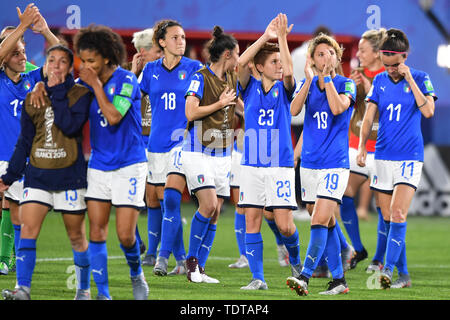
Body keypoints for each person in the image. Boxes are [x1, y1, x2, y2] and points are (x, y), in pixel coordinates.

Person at [0, 44, 92, 300]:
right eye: (51, 60)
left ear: (69, 68)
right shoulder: (33, 98)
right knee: (27, 229)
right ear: (45, 65)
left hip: (69, 178)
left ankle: (83, 290)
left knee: (76, 236)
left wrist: (55, 93)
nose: (55, 65)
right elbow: (24, 142)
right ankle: (23, 289)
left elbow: (69, 125)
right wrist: (8, 178)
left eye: (62, 62)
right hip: (37, 176)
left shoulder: (80, 95)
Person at [73, 24, 149, 300]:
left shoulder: (127, 80)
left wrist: (94, 85)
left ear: (106, 57)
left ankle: (136, 274)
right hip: (99, 165)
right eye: (83, 61)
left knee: (126, 236)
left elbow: (114, 116)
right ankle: (102, 294)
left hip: (129, 164)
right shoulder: (83, 85)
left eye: (91, 60)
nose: (86, 66)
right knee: (96, 231)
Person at [357, 28, 436, 289]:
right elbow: (369, 117)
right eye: (387, 64)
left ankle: (387, 270)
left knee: (399, 213)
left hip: (410, 157)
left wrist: (409, 79)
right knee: (389, 217)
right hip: (383, 156)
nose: (391, 69)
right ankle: (404, 275)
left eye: (395, 65)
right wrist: (361, 147)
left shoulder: (421, 78)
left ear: (404, 57)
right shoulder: (379, 81)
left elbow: (428, 111)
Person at [286, 33, 356, 296]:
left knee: (318, 219)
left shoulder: (346, 84)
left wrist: (326, 79)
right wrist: (308, 79)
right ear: (312, 60)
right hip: (310, 163)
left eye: (330, 53)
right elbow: (294, 111)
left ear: (338, 57)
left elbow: (338, 109)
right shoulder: (309, 83)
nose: (326, 57)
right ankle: (339, 280)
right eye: (320, 54)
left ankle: (304, 276)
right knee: (325, 222)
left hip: (334, 164)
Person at [236, 14, 302, 290]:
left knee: (286, 226)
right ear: (259, 67)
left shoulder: (284, 90)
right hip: (252, 164)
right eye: (273, 61)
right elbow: (239, 63)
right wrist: (266, 37)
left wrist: (282, 38)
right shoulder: (248, 87)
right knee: (252, 220)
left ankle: (298, 264)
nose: (279, 65)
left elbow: (289, 74)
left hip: (279, 165)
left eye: (279, 61)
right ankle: (258, 278)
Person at [139, 19, 203, 276]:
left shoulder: (195, 68)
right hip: (155, 144)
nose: (181, 42)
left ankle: (160, 258)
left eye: (183, 37)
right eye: (175, 37)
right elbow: (137, 98)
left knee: (171, 198)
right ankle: (180, 258)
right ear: (162, 42)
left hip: (182, 143)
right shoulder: (150, 70)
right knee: (160, 202)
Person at [0, 4, 59, 276]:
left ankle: (17, 271)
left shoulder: (33, 79)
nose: (23, 56)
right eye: (16, 53)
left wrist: (44, 30)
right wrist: (22, 26)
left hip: (23, 161)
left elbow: (62, 61)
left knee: (20, 218)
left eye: (24, 51)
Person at [183, 25, 239, 283]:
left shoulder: (231, 78)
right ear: (227, 54)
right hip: (198, 151)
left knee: (215, 212)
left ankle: (200, 269)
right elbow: (191, 113)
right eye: (237, 55)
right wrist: (220, 103)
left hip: (223, 154)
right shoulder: (200, 77)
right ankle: (191, 261)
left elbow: (238, 107)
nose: (239, 60)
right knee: (208, 205)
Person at [342, 28, 387, 270]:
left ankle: (379, 259)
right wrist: (351, 86)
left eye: (362, 50)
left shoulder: (389, 74)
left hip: (383, 147)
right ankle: (358, 248)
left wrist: (369, 86)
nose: (358, 53)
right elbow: (350, 104)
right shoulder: (356, 73)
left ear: (378, 53)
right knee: (344, 193)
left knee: (383, 206)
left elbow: (386, 108)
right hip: (357, 144)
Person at [127, 27, 163, 257]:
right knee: (130, 196)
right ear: (143, 52)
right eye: (158, 50)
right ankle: (138, 241)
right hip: (137, 142)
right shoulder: (131, 78)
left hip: (157, 142)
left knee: (155, 196)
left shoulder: (165, 73)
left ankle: (155, 251)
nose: (161, 55)